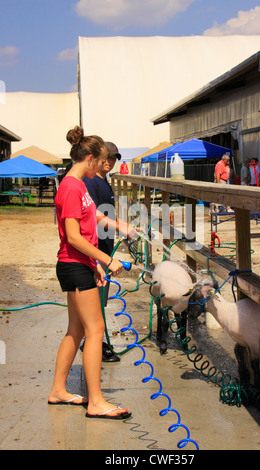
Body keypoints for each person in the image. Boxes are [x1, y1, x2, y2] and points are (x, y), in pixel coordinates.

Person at [48, 126, 131, 420]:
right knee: (95, 331)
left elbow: (90, 218)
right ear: (92, 158)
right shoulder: (70, 187)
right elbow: (73, 236)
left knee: (77, 329)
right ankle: (96, 402)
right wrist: (106, 260)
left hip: (81, 264)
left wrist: (119, 228)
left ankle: (58, 389)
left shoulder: (80, 184)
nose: (104, 167)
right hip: (72, 264)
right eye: (103, 160)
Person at [83, 142, 144, 362]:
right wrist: (120, 227)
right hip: (95, 249)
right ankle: (95, 343)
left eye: (114, 158)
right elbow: (93, 215)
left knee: (100, 301)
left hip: (105, 248)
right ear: (97, 158)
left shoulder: (104, 181)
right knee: (95, 303)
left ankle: (93, 341)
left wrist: (125, 227)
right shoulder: (90, 181)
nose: (110, 162)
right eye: (107, 157)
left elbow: (106, 213)